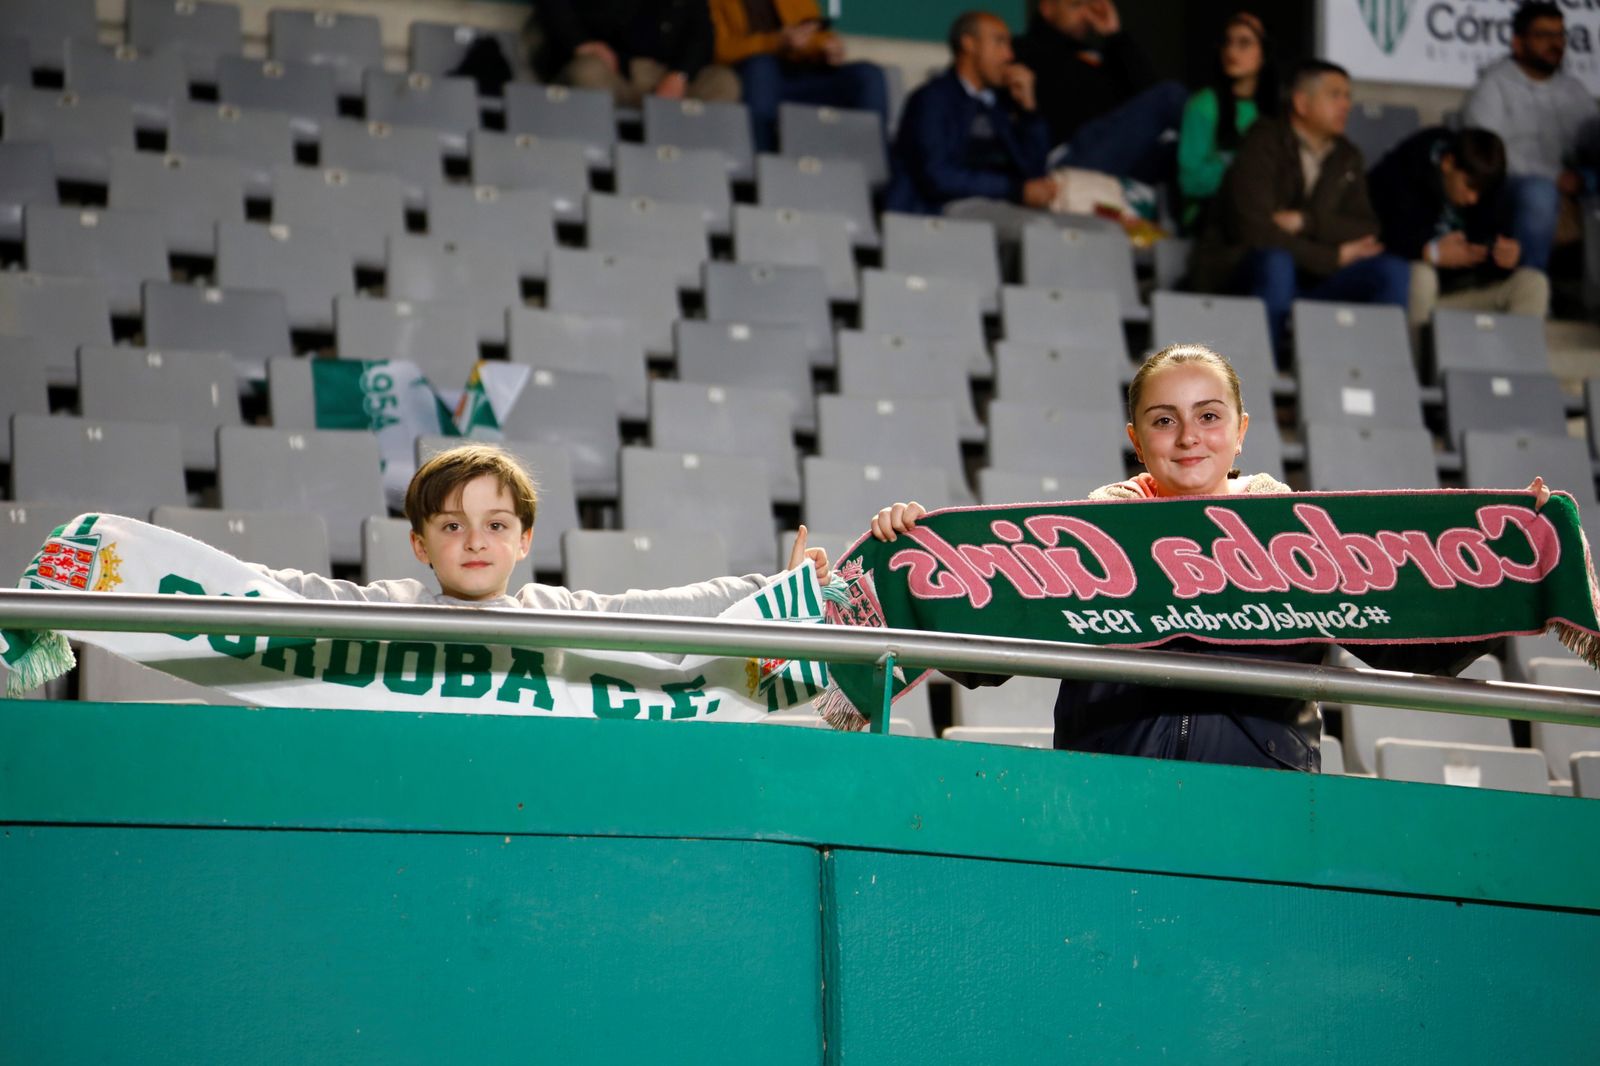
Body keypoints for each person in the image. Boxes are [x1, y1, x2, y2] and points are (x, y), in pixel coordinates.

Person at [867, 344, 1548, 770]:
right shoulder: (1076, 542)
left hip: (1265, 806)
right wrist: (912, 558)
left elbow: (1407, 645)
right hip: (1108, 793)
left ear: (1242, 432)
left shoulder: (1306, 544)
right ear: (1139, 439)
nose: (1188, 436)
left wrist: (1511, 572)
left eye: (1209, 416)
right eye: (1164, 420)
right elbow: (985, 656)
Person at [252, 443, 830, 610]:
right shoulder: (394, 606)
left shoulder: (553, 613)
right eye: (452, 527)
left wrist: (770, 591)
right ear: (419, 545)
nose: (476, 540)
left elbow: (666, 608)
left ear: (525, 540)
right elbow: (290, 594)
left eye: (497, 525)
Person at [1188, 59, 1410, 362]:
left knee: (1392, 271)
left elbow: (1365, 229)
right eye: (1335, 95)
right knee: (1277, 263)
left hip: (1312, 281)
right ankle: (1267, 376)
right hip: (1240, 274)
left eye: (1348, 96)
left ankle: (1379, 373)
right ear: (1302, 102)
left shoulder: (1346, 155)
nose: (1346, 105)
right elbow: (1255, 232)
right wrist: (1332, 257)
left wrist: (1307, 222)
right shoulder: (1263, 141)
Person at [1368, 126, 1549, 352]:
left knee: (1533, 283)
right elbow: (1374, 237)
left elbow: (1487, 250)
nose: (1473, 198)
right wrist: (1429, 252)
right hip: (1412, 298)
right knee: (1422, 276)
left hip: (1458, 296)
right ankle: (1417, 374)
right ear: (1448, 163)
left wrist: (1507, 257)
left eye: (1480, 192)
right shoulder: (1405, 169)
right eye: (1469, 186)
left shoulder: (1488, 184)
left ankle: (1518, 376)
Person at [1461, 1, 1599, 275]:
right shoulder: (1493, 86)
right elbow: (1485, 158)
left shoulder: (1574, 91)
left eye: (1559, 35)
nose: (1555, 44)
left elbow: (1591, 144)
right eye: (1543, 36)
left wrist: (1583, 178)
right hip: (1508, 191)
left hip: (1572, 186)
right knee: (1540, 193)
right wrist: (1554, 178)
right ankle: (1529, 287)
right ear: (1518, 43)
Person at [884, 11, 1054, 220]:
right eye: (999, 43)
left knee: (1086, 231)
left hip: (1005, 204)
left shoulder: (1002, 103)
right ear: (969, 44)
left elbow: (1034, 172)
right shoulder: (931, 100)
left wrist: (1029, 111)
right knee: (1036, 230)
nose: (1009, 55)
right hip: (944, 209)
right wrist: (1014, 189)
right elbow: (938, 178)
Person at [1012, 0, 1187, 183]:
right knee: (1170, 95)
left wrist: (1115, 35)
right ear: (1047, 8)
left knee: (1180, 152)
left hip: (1114, 155)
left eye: (1089, 6)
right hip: (1068, 159)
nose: (1085, 14)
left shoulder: (1100, 56)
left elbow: (1149, 93)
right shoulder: (1024, 50)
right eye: (1076, 5)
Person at [708, 0, 890, 154]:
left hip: (801, 73)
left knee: (868, 75)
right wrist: (776, 42)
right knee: (762, 67)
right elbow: (717, 48)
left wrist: (826, 48)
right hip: (751, 77)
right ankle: (764, 171)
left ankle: (875, 171)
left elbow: (815, 31)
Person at [1177, 11, 1279, 233]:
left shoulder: (1275, 112)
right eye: (1227, 42)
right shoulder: (1203, 104)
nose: (1232, 51)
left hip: (1263, 216)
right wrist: (1245, 172)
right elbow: (1190, 180)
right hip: (1211, 218)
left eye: (1244, 43)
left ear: (1263, 54)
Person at [533, 0, 739, 107]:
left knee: (723, 82)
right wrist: (580, 43)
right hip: (613, 73)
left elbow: (702, 33)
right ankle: (600, 172)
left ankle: (679, 167)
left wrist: (680, 75)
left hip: (665, 76)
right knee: (588, 72)